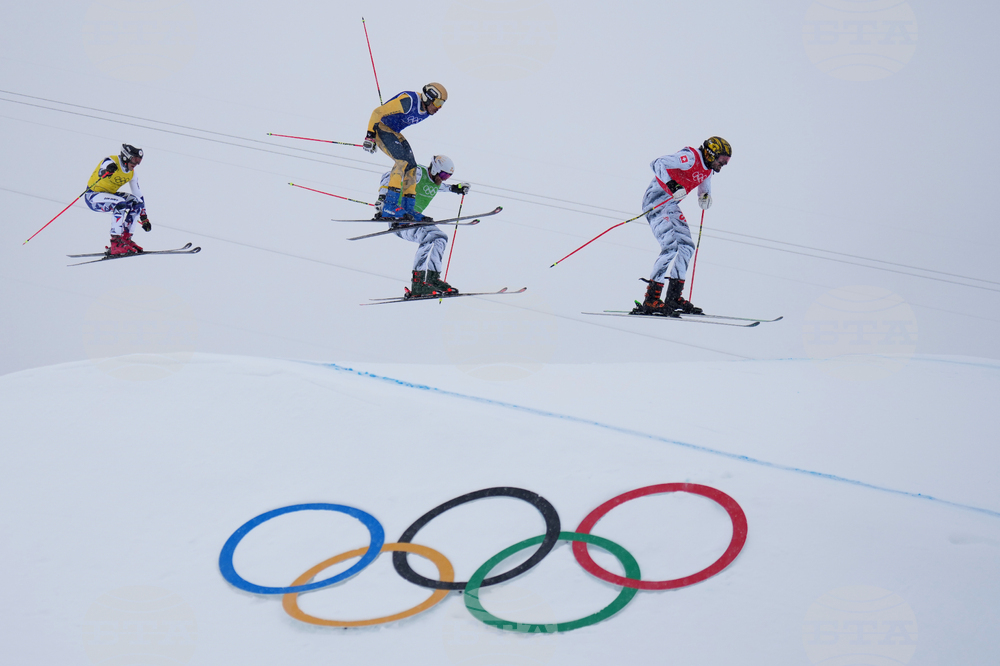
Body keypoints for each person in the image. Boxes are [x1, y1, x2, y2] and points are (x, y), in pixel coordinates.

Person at [632, 136, 732, 316]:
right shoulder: (690, 158)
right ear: (710, 154)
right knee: (670, 247)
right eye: (722, 160)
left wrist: (705, 197)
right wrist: (672, 184)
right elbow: (657, 163)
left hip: (670, 205)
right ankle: (651, 299)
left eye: (726, 162)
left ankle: (674, 297)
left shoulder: (708, 170)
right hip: (655, 202)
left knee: (686, 247)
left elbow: (704, 187)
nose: (723, 165)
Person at [373, 155, 471, 297]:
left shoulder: (436, 182)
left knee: (440, 238)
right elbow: (388, 175)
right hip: (399, 219)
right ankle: (418, 284)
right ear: (436, 169)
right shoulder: (418, 172)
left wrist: (454, 188)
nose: (444, 179)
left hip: (414, 220)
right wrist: (382, 199)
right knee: (432, 237)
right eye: (443, 175)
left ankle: (432, 279)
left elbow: (438, 187)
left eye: (448, 176)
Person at [362, 83, 447, 221]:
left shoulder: (426, 111)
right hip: (381, 128)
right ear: (428, 97)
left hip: (393, 132)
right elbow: (377, 112)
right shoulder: (409, 101)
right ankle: (389, 205)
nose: (439, 108)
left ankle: (409, 209)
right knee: (402, 161)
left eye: (442, 104)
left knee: (412, 166)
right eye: (437, 102)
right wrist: (370, 136)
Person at [83, 144, 151, 256]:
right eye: (134, 159)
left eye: (139, 161)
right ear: (126, 157)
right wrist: (108, 170)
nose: (136, 164)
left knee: (137, 203)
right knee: (120, 204)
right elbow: (102, 171)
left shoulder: (132, 174)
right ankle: (116, 242)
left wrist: (144, 217)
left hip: (110, 196)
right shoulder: (111, 161)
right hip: (93, 196)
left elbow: (138, 194)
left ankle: (126, 239)